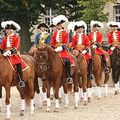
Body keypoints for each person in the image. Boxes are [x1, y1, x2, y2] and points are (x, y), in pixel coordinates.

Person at [0, 20, 25, 87]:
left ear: (11, 30)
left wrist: (10, 52)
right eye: (6, 30)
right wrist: (2, 51)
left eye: (8, 29)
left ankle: (21, 80)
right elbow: (2, 47)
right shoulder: (5, 38)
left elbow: (16, 47)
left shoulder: (16, 37)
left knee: (18, 64)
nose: (6, 31)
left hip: (14, 54)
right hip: (5, 54)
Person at [50, 15, 74, 84]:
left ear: (61, 25)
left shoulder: (65, 33)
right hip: (55, 50)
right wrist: (52, 48)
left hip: (63, 51)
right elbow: (52, 43)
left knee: (67, 60)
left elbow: (66, 43)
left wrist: (60, 48)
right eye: (57, 25)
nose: (58, 26)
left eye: (59, 25)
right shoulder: (54, 33)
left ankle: (69, 76)